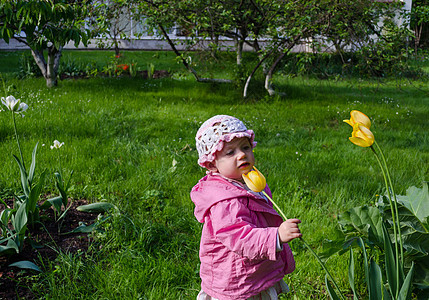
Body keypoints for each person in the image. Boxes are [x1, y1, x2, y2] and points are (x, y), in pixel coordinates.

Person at [190, 115, 302, 300]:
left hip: (254, 268)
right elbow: (239, 237)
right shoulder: (224, 201)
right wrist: (276, 236)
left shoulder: (249, 181)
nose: (242, 154)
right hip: (235, 276)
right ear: (212, 164)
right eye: (230, 152)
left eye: (245, 147)